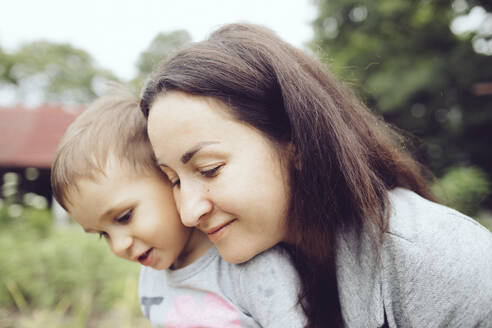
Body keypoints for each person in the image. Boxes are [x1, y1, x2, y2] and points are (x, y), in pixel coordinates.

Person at [140, 23, 492, 327]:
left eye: (209, 169)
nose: (188, 212)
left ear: (296, 142)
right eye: (173, 179)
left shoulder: (437, 260)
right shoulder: (229, 276)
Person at [50, 84, 306, 327]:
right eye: (102, 235)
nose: (118, 246)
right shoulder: (151, 281)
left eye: (124, 217)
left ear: (171, 178)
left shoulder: (253, 267)